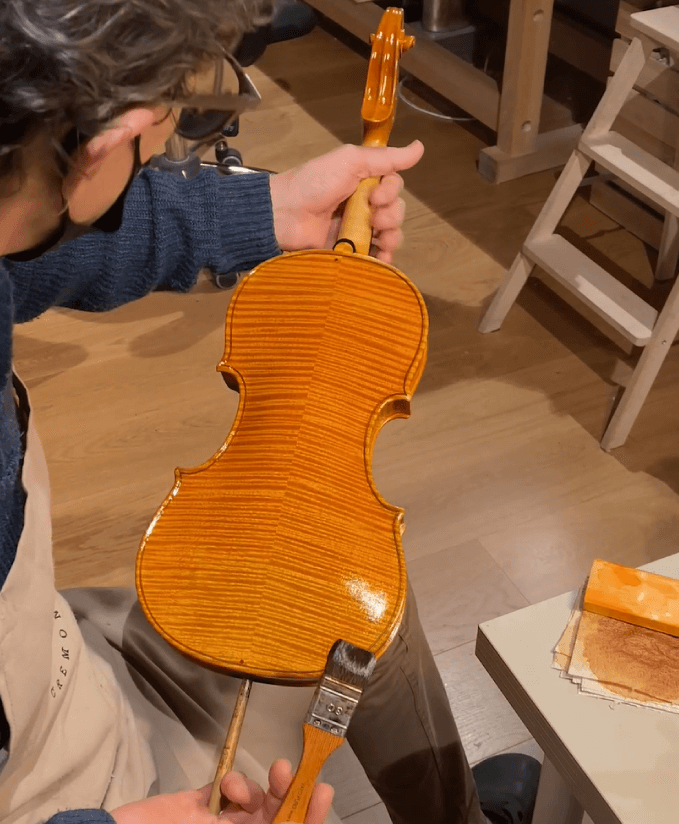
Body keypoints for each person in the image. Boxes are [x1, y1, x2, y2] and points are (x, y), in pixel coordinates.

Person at [0, 2, 541, 824]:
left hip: (51, 649)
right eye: (159, 148)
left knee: (362, 596)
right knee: (355, 617)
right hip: (47, 778)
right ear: (108, 145)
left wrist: (268, 209)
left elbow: (30, 255)